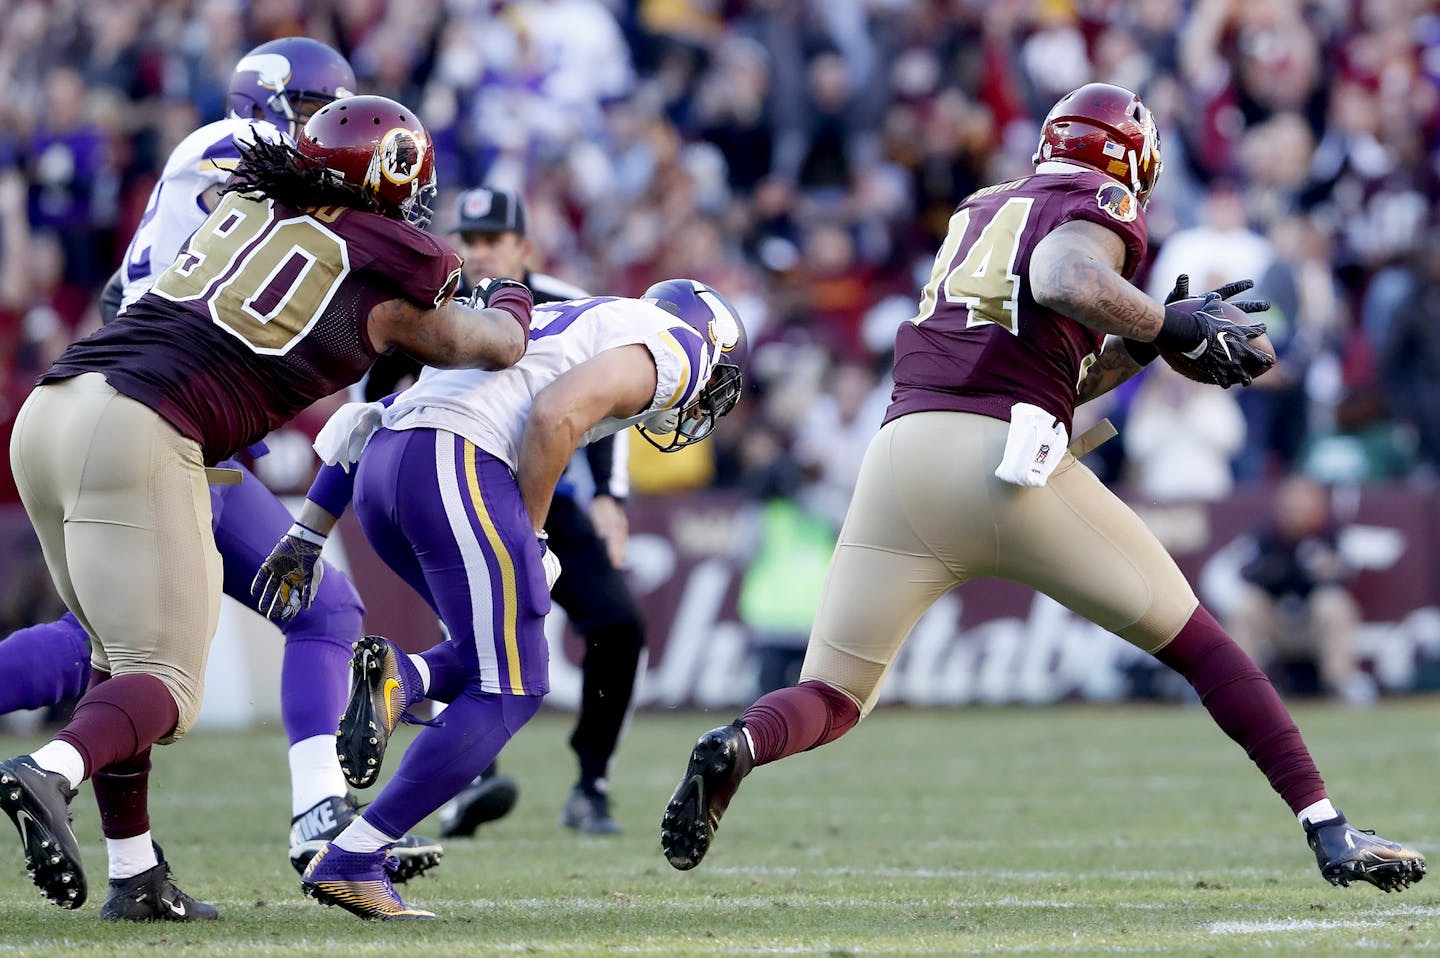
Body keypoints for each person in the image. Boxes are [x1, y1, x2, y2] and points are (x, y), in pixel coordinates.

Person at [659, 82, 1426, 894]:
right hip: (1002, 462)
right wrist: (1170, 326)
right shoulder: (1096, 200)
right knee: (1201, 644)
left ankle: (741, 745)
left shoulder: (983, 206)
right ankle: (1328, 825)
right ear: (1131, 159)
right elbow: (1064, 278)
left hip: (902, 454)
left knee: (834, 694)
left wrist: (1145, 346)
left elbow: (1057, 363)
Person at [0, 94, 531, 921]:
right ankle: (51, 771)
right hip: (146, 422)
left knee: (113, 658)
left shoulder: (253, 201)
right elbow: (494, 344)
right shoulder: (390, 283)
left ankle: (136, 876)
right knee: (166, 686)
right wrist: (512, 297)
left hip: (54, 408)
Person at [252, 277, 748, 919]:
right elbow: (555, 417)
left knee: (493, 652)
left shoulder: (571, 318)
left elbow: (381, 413)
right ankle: (356, 856)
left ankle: (405, 676)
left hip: (380, 469)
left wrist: (308, 531)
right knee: (513, 687)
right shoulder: (676, 345)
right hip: (455, 465)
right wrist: (535, 534)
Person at [440, 187, 647, 837]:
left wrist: (611, 496)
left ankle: (592, 782)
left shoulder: (568, 302)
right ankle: (470, 781)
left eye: (490, 240)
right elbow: (379, 387)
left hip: (544, 492)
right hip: (457, 484)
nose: (477, 253)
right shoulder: (438, 301)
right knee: (480, 633)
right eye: (468, 241)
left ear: (523, 247)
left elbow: (612, 403)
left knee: (619, 626)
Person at [1228, 475, 1372, 706]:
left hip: (1313, 625)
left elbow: (1343, 577)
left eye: (1304, 507)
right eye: (1292, 508)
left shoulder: (1330, 534)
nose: (1297, 514)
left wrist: (1321, 570)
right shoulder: (1267, 535)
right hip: (1276, 623)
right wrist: (1290, 569)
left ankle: (1342, 681)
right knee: (1246, 605)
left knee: (1333, 603)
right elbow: (1249, 573)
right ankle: (1241, 686)